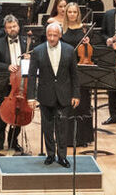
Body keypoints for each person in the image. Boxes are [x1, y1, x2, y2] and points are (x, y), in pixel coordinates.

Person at [27, 20, 80, 167]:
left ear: (60, 35)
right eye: (49, 35)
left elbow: (75, 75)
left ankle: (62, 156)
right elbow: (32, 75)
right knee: (47, 127)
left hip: (64, 94)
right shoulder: (37, 51)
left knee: (62, 128)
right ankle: (50, 154)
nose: (51, 38)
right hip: (46, 94)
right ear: (46, 35)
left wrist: (76, 94)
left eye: (55, 35)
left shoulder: (69, 50)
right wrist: (31, 97)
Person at [0, 14, 32, 154]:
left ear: (18, 27)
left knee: (19, 113)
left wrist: (30, 58)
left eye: (14, 26)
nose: (12, 29)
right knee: (1, 115)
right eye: (9, 27)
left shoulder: (26, 42)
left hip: (21, 85)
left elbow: (35, 62)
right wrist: (7, 66)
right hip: (5, 84)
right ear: (5, 29)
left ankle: (13, 142)